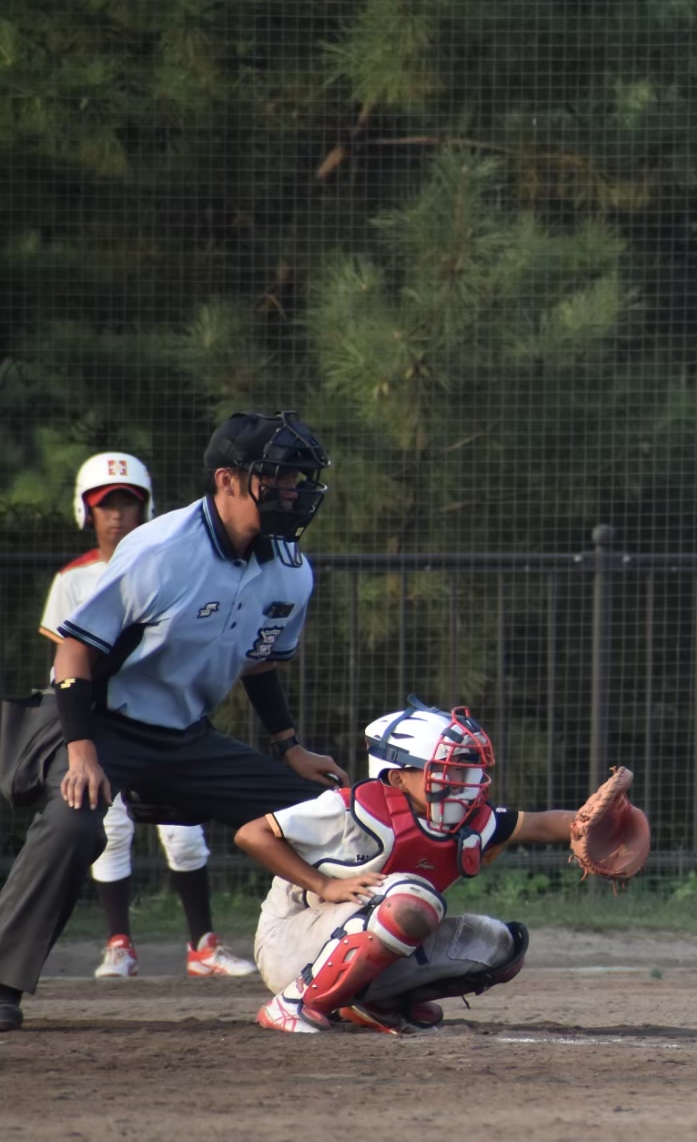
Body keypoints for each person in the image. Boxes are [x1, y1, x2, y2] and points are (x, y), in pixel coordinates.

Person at [0, 411, 344, 1033]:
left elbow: (261, 662)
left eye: (298, 479)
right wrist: (82, 753)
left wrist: (291, 747)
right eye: (278, 478)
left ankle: (356, 968)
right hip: (99, 722)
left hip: (184, 737)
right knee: (74, 824)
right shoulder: (160, 551)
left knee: (326, 813)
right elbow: (74, 652)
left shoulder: (289, 568)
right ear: (228, 480)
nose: (293, 491)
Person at [236, 700, 614, 1033]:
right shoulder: (352, 809)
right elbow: (252, 834)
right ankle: (295, 1003)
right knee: (410, 902)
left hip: (347, 937)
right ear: (398, 777)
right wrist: (324, 885)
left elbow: (540, 825)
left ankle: (378, 1003)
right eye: (449, 771)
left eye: (467, 771)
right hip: (288, 945)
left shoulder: (466, 820)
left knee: (501, 947)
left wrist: (601, 826)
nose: (465, 783)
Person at [38, 452, 256, 980]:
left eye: (128, 503)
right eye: (104, 504)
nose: (117, 515)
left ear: (146, 507)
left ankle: (202, 944)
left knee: (184, 830)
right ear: (86, 510)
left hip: (162, 717)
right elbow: (68, 658)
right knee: (111, 827)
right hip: (99, 722)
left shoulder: (167, 561)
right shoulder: (73, 578)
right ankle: (119, 944)